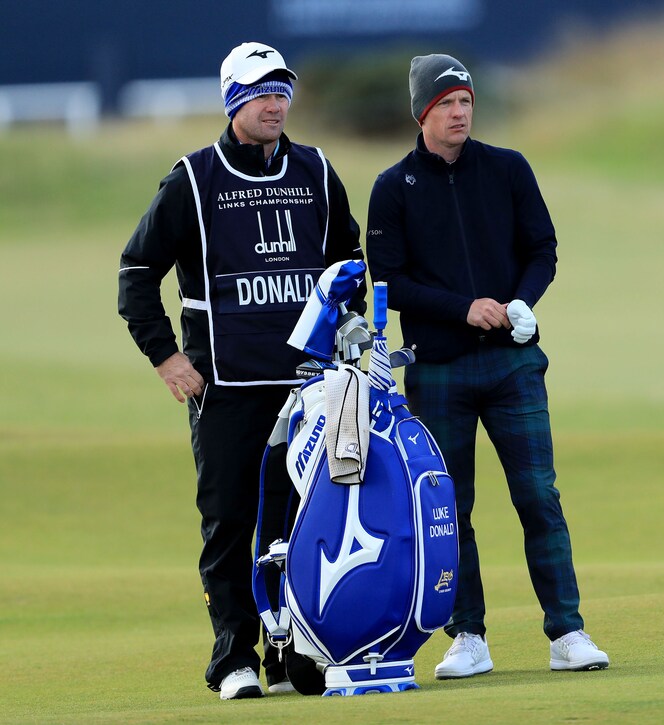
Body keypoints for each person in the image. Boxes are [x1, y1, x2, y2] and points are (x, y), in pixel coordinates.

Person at [118, 42, 365, 699]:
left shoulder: (315, 170)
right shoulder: (193, 180)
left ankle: (296, 652)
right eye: (261, 91)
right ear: (233, 100)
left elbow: (348, 258)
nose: (275, 101)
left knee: (304, 523)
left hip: (308, 388)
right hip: (226, 387)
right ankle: (235, 658)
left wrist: (348, 320)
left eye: (282, 89)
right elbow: (136, 272)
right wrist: (167, 356)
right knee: (229, 523)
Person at [365, 53, 609, 678]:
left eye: (466, 101)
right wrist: (461, 309)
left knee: (538, 496)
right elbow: (390, 280)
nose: (459, 113)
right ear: (422, 111)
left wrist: (522, 303)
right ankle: (467, 635)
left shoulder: (507, 169)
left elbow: (542, 249)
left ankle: (568, 632)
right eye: (446, 103)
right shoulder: (394, 188)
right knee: (452, 507)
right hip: (439, 369)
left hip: (511, 364)